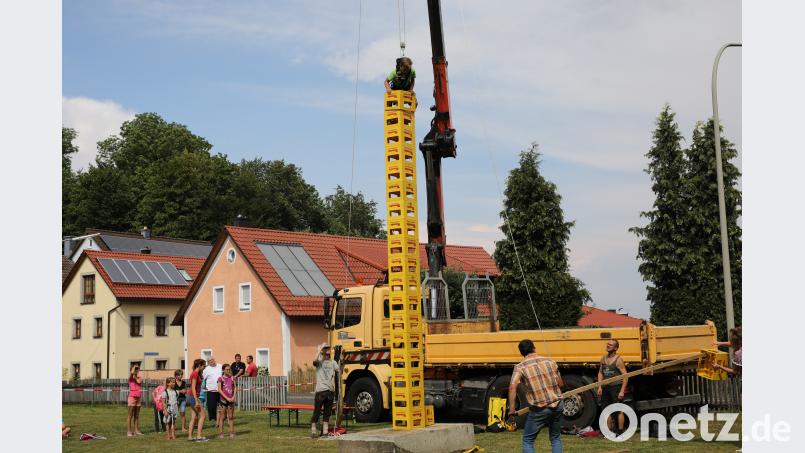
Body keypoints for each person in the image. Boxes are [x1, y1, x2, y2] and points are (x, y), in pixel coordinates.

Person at [508, 339, 564, 453]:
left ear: (521, 353)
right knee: (555, 438)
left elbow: (512, 387)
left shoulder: (520, 367)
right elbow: (561, 384)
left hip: (540, 408)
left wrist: (512, 409)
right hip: (558, 404)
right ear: (534, 348)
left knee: (528, 440)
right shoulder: (550, 361)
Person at [597, 339, 629, 435]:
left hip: (616, 388)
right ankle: (608, 432)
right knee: (606, 410)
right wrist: (599, 387)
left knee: (619, 410)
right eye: (607, 344)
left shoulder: (618, 360)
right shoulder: (603, 359)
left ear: (615, 348)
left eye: (610, 345)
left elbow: (625, 376)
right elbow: (600, 372)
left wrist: (622, 391)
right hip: (605, 388)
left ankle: (620, 431)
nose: (607, 346)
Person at [310, 343, 338, 438]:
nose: (327, 350)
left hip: (330, 391)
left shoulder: (333, 362)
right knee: (317, 411)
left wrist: (342, 361)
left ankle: (325, 432)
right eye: (325, 349)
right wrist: (319, 349)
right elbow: (314, 361)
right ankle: (313, 431)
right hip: (320, 391)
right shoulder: (319, 361)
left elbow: (339, 370)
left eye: (328, 348)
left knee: (327, 413)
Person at [187, 359, 208, 442]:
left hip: (191, 396)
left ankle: (190, 436)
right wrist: (196, 400)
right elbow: (193, 387)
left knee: (194, 417)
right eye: (203, 366)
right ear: (199, 365)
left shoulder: (196, 374)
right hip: (193, 397)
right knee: (203, 416)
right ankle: (199, 436)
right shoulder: (195, 374)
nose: (204, 367)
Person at [217, 364, 238, 439]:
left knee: (231, 417)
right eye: (226, 369)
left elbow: (235, 388)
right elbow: (219, 390)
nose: (228, 370)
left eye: (229, 369)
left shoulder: (232, 378)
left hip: (231, 400)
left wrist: (233, 397)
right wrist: (226, 398)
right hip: (223, 400)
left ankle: (231, 432)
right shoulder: (220, 379)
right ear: (223, 370)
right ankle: (221, 433)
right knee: (222, 417)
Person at [202, 357, 223, 422]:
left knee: (222, 405)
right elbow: (203, 378)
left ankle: (222, 417)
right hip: (211, 390)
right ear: (208, 362)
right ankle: (212, 418)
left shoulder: (220, 366)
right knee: (211, 406)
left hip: (220, 390)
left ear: (214, 360)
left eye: (212, 360)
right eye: (209, 361)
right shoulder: (206, 369)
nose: (211, 361)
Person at [126, 365, 143, 437]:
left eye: (137, 370)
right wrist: (132, 371)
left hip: (138, 397)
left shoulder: (139, 378)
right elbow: (131, 377)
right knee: (130, 415)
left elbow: (138, 382)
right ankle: (129, 431)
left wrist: (136, 373)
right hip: (132, 397)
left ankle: (136, 430)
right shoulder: (130, 378)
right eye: (135, 369)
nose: (136, 371)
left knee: (136, 415)